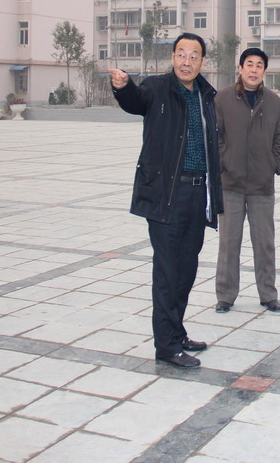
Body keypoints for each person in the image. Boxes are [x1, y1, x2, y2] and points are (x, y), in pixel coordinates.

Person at [108, 32, 223, 369]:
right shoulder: (157, 88)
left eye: (194, 56)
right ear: (173, 57)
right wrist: (123, 87)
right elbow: (136, 101)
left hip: (197, 194)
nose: (187, 61)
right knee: (168, 271)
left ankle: (177, 332)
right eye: (182, 54)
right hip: (167, 194)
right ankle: (166, 346)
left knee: (186, 269)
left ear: (202, 62)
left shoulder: (205, 94)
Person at [214, 48, 280, 314]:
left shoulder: (273, 101)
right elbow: (215, 136)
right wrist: (225, 162)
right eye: (249, 64)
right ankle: (225, 295)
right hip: (230, 183)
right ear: (240, 68)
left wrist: (273, 164)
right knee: (228, 243)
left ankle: (268, 294)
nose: (254, 70)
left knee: (265, 243)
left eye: (259, 65)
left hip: (262, 185)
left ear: (264, 71)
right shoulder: (222, 98)